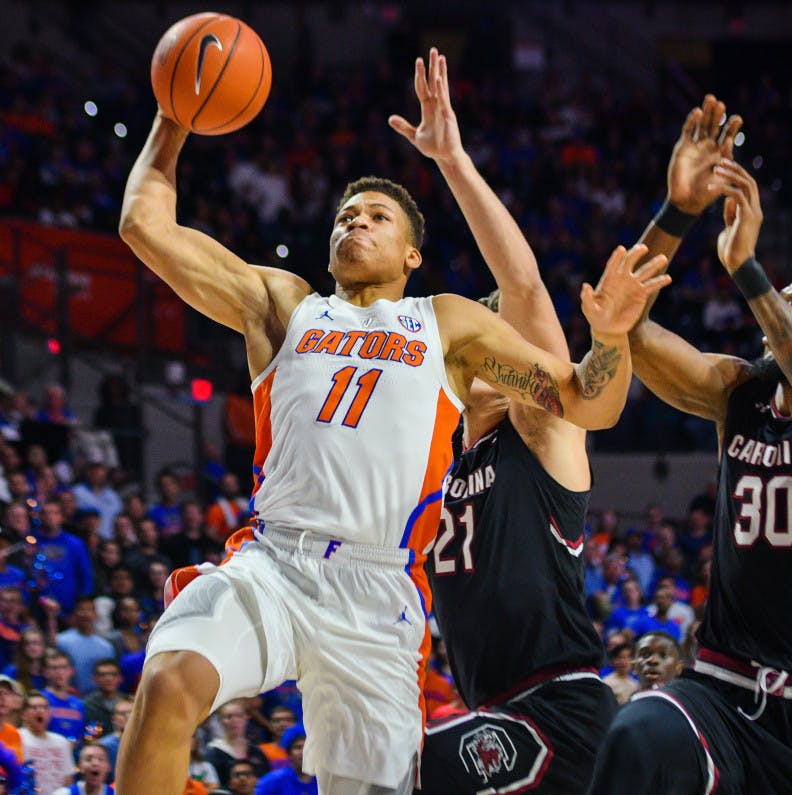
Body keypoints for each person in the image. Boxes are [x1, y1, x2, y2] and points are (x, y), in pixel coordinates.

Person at [115, 47, 666, 795]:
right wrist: (172, 118)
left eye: (376, 216)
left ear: (411, 253)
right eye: (346, 214)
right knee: (169, 682)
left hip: (377, 595)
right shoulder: (285, 305)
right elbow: (144, 225)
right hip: (273, 560)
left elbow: (586, 400)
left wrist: (609, 340)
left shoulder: (444, 326)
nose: (355, 220)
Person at [588, 94, 792, 794]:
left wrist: (750, 270)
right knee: (637, 733)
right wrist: (677, 210)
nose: (779, 314)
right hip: (720, 691)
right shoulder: (739, 390)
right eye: (781, 302)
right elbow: (629, 328)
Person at [389, 50, 619, 793]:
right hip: (493, 708)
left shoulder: (542, 433)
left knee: (401, 769)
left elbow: (520, 284)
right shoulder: (440, 466)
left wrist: (452, 163)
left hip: (556, 708)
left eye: (494, 338)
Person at [18, 690, 75, 794]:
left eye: (44, 707)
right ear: (23, 714)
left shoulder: (61, 742)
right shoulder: (18, 737)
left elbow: (68, 780)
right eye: (34, 708)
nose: (40, 711)